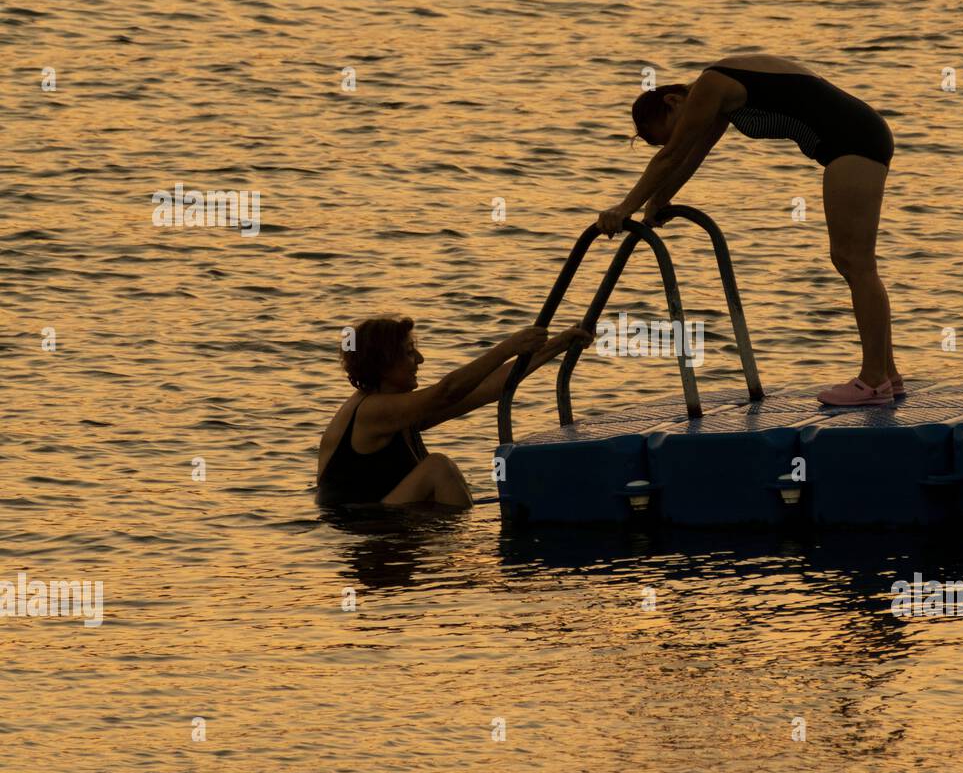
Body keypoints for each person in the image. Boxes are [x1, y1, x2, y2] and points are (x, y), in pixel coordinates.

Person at [597, 54, 902, 406]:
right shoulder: (718, 98)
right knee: (855, 263)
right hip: (855, 138)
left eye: (671, 131)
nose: (676, 139)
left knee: (853, 262)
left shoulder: (711, 84)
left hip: (854, 141)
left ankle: (874, 381)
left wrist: (623, 209)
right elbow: (691, 154)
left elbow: (671, 155)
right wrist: (657, 203)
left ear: (672, 100)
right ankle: (887, 375)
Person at [316, 315, 591, 507]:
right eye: (410, 353)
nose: (420, 360)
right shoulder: (371, 410)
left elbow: (487, 389)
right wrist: (509, 347)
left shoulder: (400, 408)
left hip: (385, 520)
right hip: (364, 532)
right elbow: (447, 390)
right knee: (438, 468)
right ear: (384, 363)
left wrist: (560, 343)